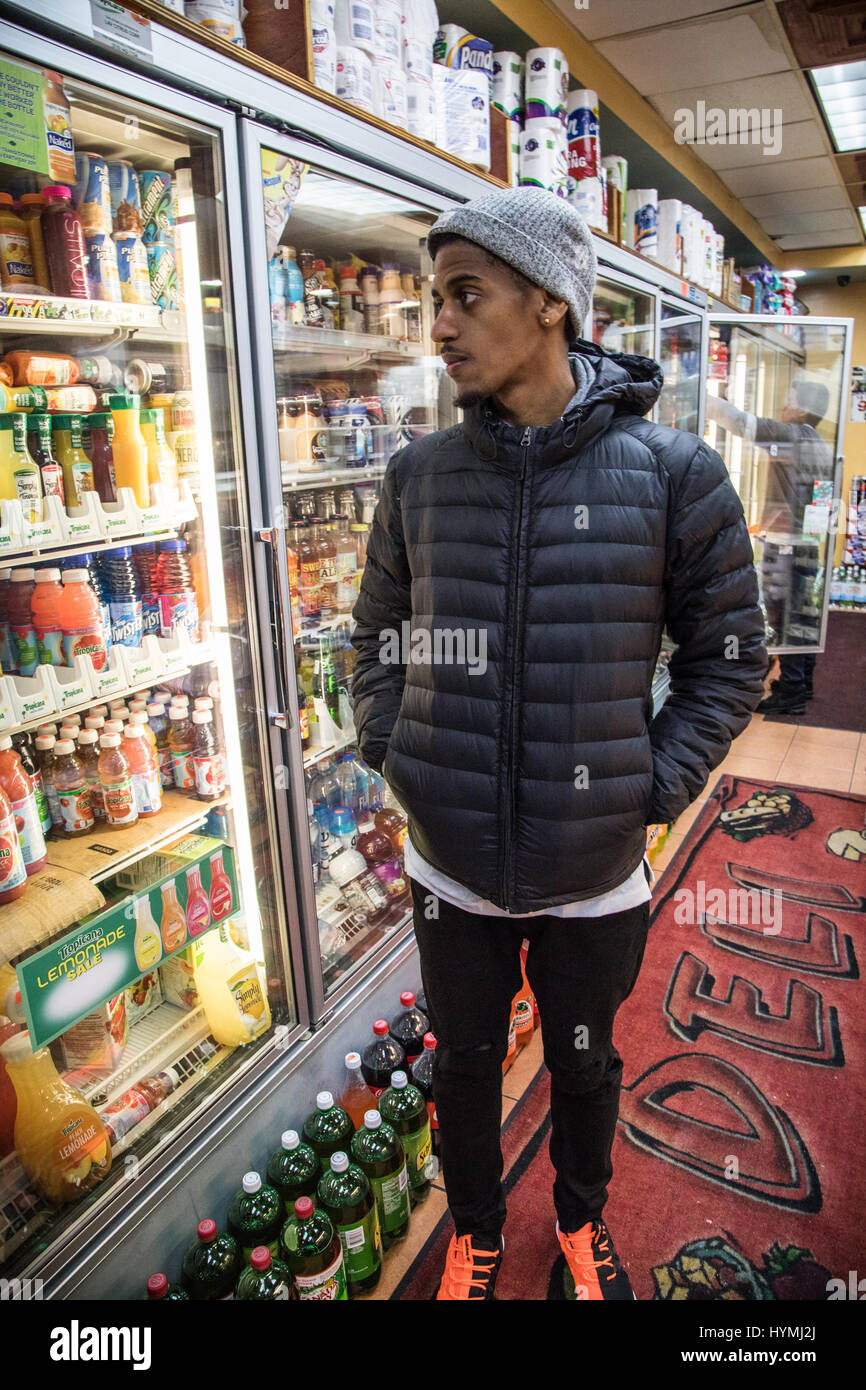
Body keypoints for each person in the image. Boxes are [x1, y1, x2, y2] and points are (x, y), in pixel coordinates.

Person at [350, 188, 767, 1301]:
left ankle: (579, 1221)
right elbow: (376, 638)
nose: (437, 323)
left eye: (463, 295)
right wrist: (396, 749)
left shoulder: (672, 474)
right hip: (450, 865)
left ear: (548, 304)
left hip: (592, 874)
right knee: (466, 1066)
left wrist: (650, 782)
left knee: (582, 1060)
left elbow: (728, 656)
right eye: (435, 298)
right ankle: (474, 1229)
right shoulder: (420, 477)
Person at [706, 379, 833, 715]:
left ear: (804, 408)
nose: (783, 404)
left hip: (787, 547)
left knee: (786, 617)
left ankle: (791, 692)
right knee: (802, 616)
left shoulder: (790, 436)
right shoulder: (820, 444)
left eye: (789, 398)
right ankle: (801, 682)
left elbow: (741, 422)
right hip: (808, 547)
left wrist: (699, 397)